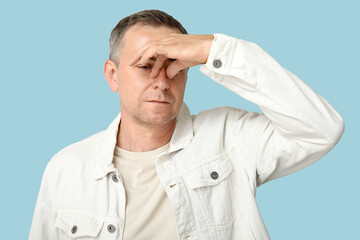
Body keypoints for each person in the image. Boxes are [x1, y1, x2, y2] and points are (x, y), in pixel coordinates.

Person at [29, 9, 345, 240]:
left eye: (175, 67)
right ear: (112, 75)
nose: (162, 82)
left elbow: (322, 129)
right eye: (145, 66)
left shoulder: (229, 136)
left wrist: (212, 51)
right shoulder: (66, 168)